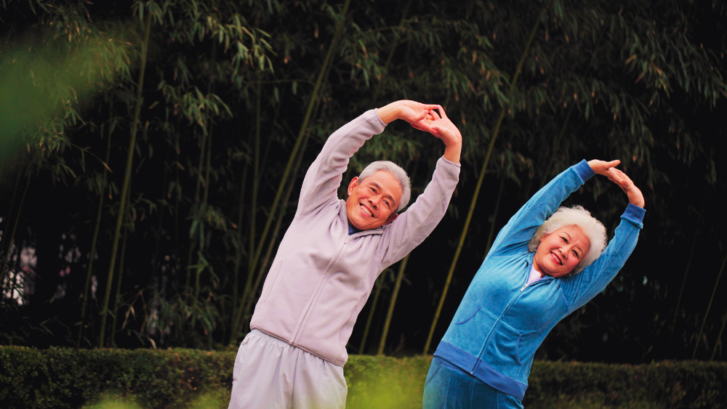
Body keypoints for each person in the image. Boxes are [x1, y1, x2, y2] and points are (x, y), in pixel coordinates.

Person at [228, 100, 463, 409]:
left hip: (321, 370)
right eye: (373, 189)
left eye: (388, 202)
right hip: (265, 351)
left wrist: (453, 146)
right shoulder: (316, 206)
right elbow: (334, 152)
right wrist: (392, 112)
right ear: (353, 185)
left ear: (392, 218)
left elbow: (429, 211)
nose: (375, 201)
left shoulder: (383, 246)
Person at [423, 159, 645, 408]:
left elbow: (610, 263)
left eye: (575, 253)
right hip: (448, 371)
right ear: (545, 234)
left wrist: (635, 210)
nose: (565, 250)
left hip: (500, 390)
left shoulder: (566, 293)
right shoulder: (506, 251)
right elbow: (541, 203)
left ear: (577, 266)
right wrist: (586, 170)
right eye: (563, 238)